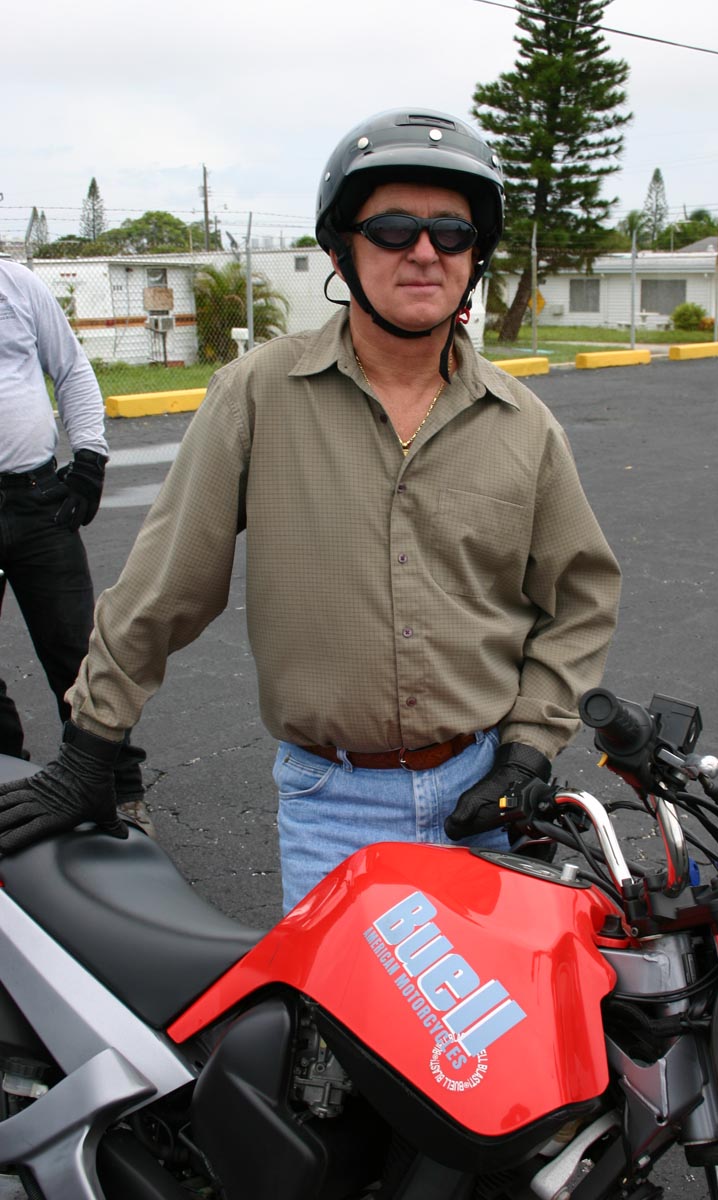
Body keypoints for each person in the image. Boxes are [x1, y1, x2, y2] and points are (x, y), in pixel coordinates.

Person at [0, 109, 620, 911]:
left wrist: (530, 749)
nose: (424, 251)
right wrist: (91, 748)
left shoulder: (523, 426)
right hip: (334, 805)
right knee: (334, 1001)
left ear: (476, 256)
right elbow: (163, 588)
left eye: (452, 232)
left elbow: (580, 599)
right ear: (340, 250)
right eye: (392, 229)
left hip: (485, 799)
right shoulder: (257, 396)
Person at [0, 256, 146, 825]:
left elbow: (71, 368)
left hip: (36, 498)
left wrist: (89, 456)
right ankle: (7, 779)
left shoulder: (16, 284)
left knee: (78, 655)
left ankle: (119, 790)